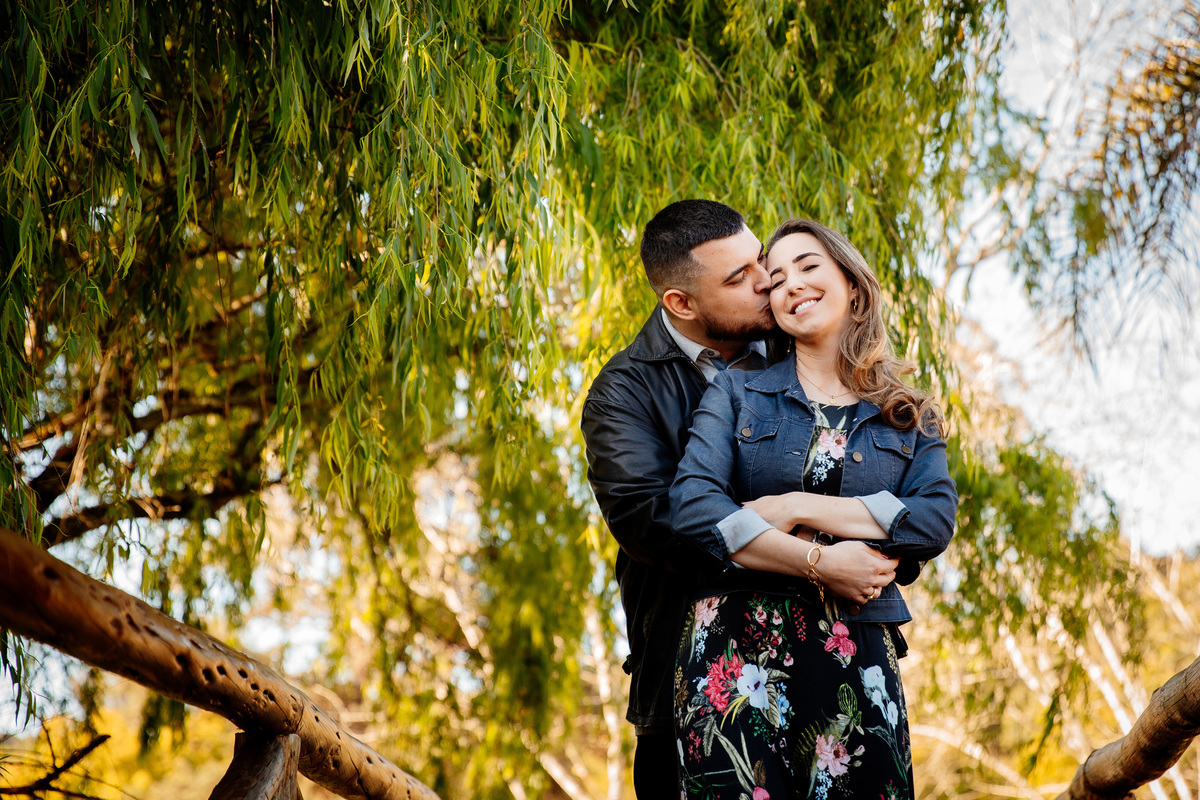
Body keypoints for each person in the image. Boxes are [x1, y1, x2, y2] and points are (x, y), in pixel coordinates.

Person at [668, 218, 958, 800]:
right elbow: (694, 507)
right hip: (735, 652)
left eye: (808, 266)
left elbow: (931, 521)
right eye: (775, 279)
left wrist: (797, 504)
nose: (790, 284)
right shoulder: (736, 391)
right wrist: (820, 564)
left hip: (856, 653)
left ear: (853, 284)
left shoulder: (910, 413)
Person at [580, 199, 779, 797]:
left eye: (760, 259)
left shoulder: (807, 350)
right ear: (681, 303)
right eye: (738, 278)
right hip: (686, 687)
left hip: (822, 665)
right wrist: (803, 540)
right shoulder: (622, 394)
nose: (766, 281)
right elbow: (655, 522)